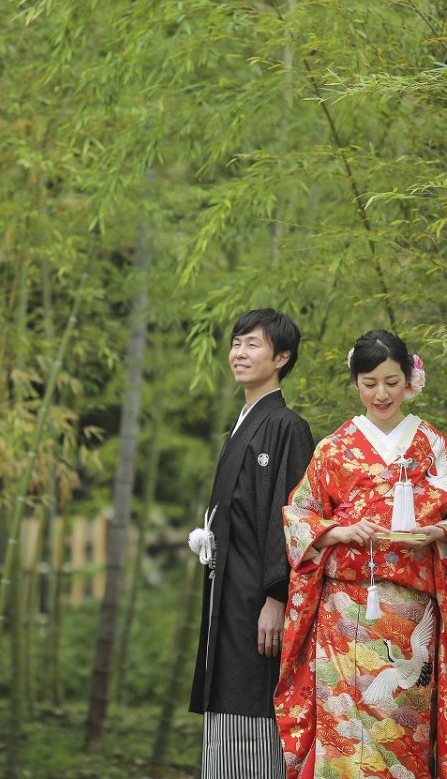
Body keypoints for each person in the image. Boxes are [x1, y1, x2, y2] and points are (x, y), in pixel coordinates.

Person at [272, 330, 447, 779]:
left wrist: (437, 533)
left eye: (391, 381)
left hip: (409, 619)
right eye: (369, 383)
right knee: (341, 733)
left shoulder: (435, 447)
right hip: (342, 614)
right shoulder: (333, 448)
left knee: (401, 733)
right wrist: (340, 531)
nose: (381, 394)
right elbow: (297, 517)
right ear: (355, 382)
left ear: (410, 379)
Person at [188, 308, 315, 779]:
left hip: (257, 601)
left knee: (253, 699)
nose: (239, 353)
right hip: (229, 591)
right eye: (236, 343)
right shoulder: (241, 425)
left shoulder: (287, 427)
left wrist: (277, 597)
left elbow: (293, 519)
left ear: (282, 357)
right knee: (226, 694)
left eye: (253, 344)